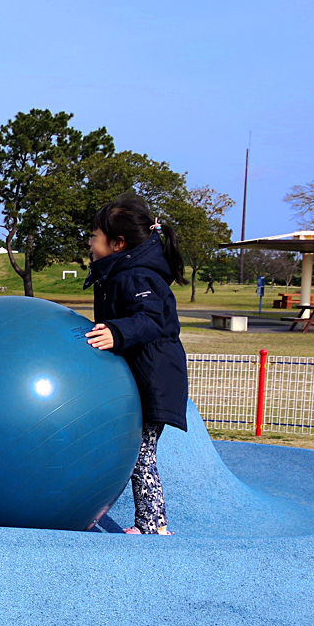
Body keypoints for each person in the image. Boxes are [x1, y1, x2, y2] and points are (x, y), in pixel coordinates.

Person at [83, 194, 189, 535]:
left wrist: (117, 331)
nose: (89, 241)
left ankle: (154, 525)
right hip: (138, 380)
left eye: (94, 236)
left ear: (118, 243)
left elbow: (151, 319)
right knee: (129, 451)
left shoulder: (138, 276)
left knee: (140, 455)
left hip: (153, 382)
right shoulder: (121, 271)